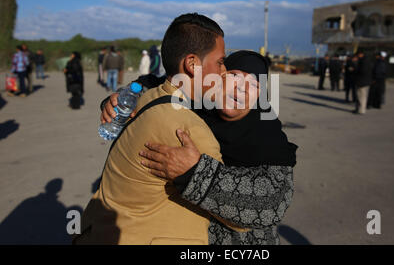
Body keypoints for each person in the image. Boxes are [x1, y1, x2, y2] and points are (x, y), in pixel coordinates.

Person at [75, 13, 230, 245]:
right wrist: (196, 173)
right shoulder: (188, 129)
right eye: (219, 61)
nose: (224, 71)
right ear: (192, 64)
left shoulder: (146, 98)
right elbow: (236, 212)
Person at [138, 51, 297, 245]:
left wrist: (193, 173)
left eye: (255, 84)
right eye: (235, 75)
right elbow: (155, 84)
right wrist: (125, 95)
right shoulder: (197, 107)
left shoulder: (267, 135)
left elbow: (272, 204)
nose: (243, 88)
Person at [353, 50, 372, 115]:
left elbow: (362, 71)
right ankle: (359, 109)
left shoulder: (363, 61)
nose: (357, 56)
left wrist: (355, 69)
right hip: (364, 81)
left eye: (358, 55)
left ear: (361, 54)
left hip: (362, 81)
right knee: (360, 96)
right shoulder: (366, 60)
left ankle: (361, 110)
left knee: (361, 96)